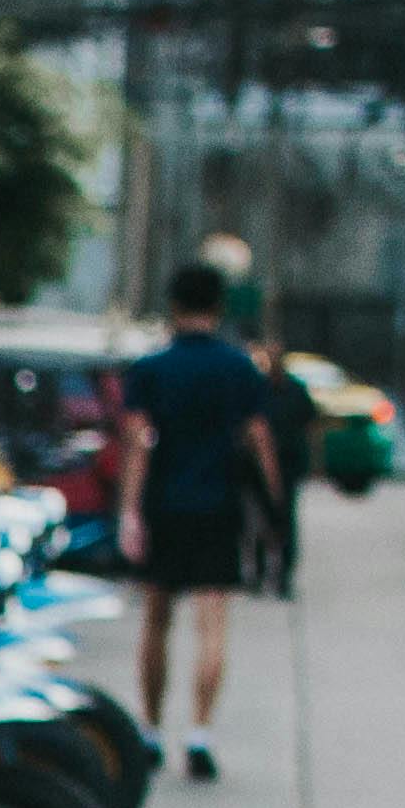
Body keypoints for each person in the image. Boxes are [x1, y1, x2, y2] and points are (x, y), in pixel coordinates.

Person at [118, 263, 281, 781]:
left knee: (156, 620)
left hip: (164, 506)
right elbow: (259, 441)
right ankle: (200, 732)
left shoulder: (150, 370)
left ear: (173, 304)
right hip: (218, 506)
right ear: (218, 306)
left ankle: (149, 729)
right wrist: (275, 507)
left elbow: (138, 443)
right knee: (213, 625)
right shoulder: (239, 369)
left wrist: (129, 510)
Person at [250, 340, 317, 599]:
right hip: (257, 467)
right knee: (260, 519)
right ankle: (258, 573)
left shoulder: (296, 391)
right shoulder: (258, 390)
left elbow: (309, 426)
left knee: (285, 519)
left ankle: (283, 576)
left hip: (288, 462)